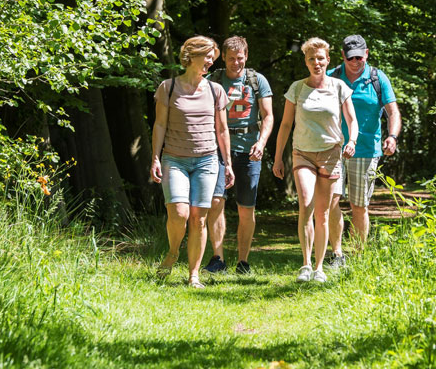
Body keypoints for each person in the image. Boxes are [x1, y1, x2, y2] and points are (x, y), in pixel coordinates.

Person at [151, 36, 235, 289]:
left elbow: (222, 130)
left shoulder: (215, 90)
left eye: (213, 57)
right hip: (174, 159)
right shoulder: (168, 87)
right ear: (191, 55)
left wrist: (228, 164)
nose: (211, 61)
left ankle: (193, 275)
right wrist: (155, 157)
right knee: (179, 213)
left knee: (199, 218)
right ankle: (173, 252)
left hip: (207, 161)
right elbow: (160, 124)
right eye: (207, 56)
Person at [273, 37, 358, 283]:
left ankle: (319, 267)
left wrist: (352, 141)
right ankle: (306, 264)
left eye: (320, 58)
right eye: (311, 59)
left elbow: (352, 120)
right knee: (306, 203)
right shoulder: (297, 89)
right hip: (303, 153)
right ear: (306, 62)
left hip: (331, 153)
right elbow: (285, 125)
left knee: (322, 213)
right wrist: (278, 158)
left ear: (328, 60)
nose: (316, 63)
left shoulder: (339, 87)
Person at [326, 35, 401, 268]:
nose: (355, 62)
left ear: (366, 54)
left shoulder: (377, 78)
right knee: (331, 202)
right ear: (343, 56)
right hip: (333, 149)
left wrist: (392, 136)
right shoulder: (331, 77)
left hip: (367, 150)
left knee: (359, 206)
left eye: (359, 57)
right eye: (350, 58)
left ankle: (358, 257)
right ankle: (337, 255)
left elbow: (393, 112)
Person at [203, 36, 274, 275]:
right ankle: (218, 259)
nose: (236, 63)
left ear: (246, 56)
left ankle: (243, 261)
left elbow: (268, 116)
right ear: (223, 57)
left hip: (249, 151)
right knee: (216, 202)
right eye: (231, 58)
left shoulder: (257, 80)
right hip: (217, 149)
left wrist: (261, 143)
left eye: (240, 58)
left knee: (246, 208)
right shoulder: (213, 80)